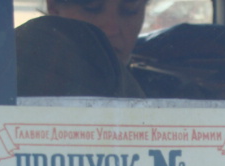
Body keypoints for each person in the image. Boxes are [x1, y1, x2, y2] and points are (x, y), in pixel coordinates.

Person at [16, 0, 148, 97]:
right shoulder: (14, 76)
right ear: (54, 8)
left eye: (130, 10)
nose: (111, 29)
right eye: (91, 8)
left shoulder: (157, 92)